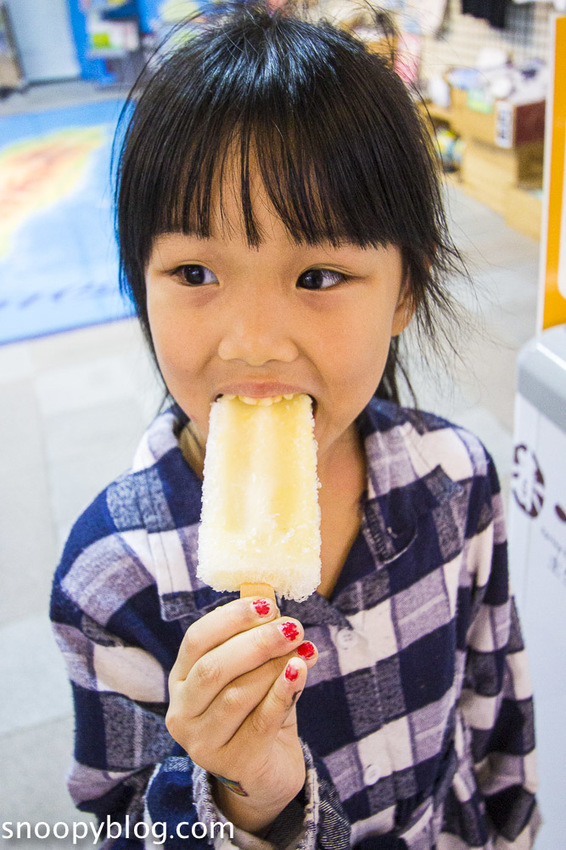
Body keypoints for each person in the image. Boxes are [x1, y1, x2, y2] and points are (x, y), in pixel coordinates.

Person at [50, 2, 541, 847]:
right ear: (138, 282)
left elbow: (497, 712)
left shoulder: (458, 479)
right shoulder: (114, 578)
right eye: (195, 270)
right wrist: (245, 800)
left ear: (406, 292)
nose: (253, 342)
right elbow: (115, 822)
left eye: (318, 275)